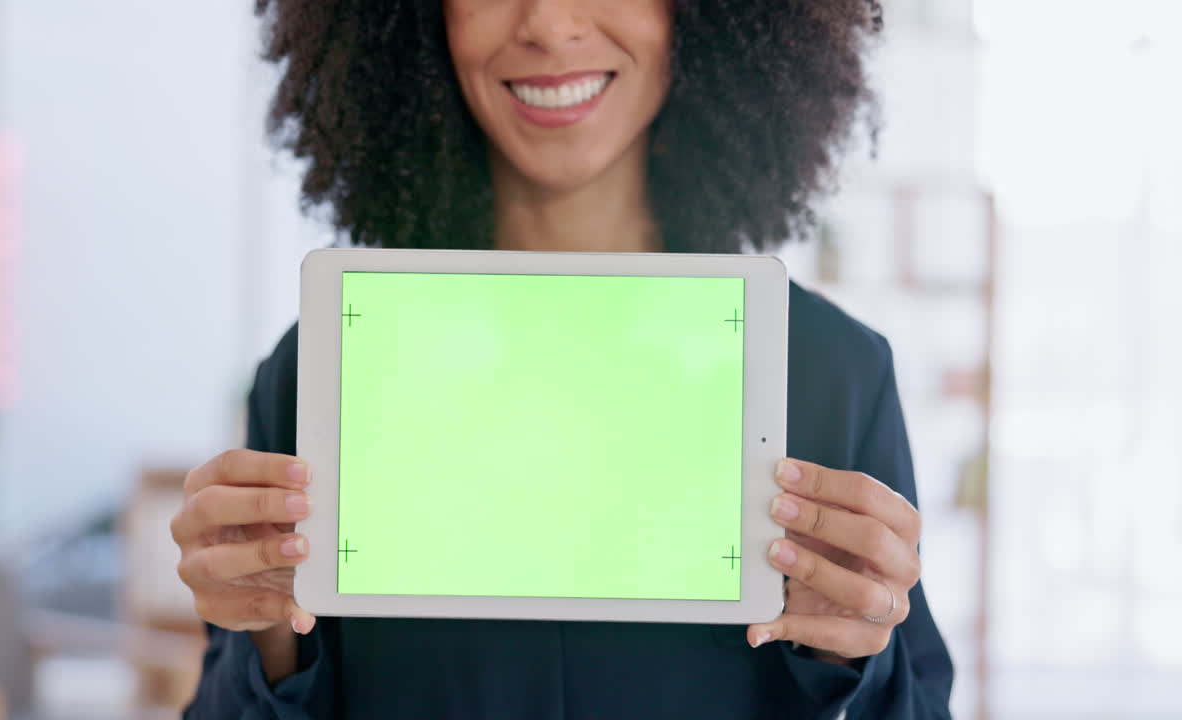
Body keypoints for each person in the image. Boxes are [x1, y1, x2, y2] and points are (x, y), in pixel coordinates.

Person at [174, 0, 954, 717]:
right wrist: (268, 637)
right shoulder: (329, 361)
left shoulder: (830, 373)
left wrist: (851, 656)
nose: (548, 22)